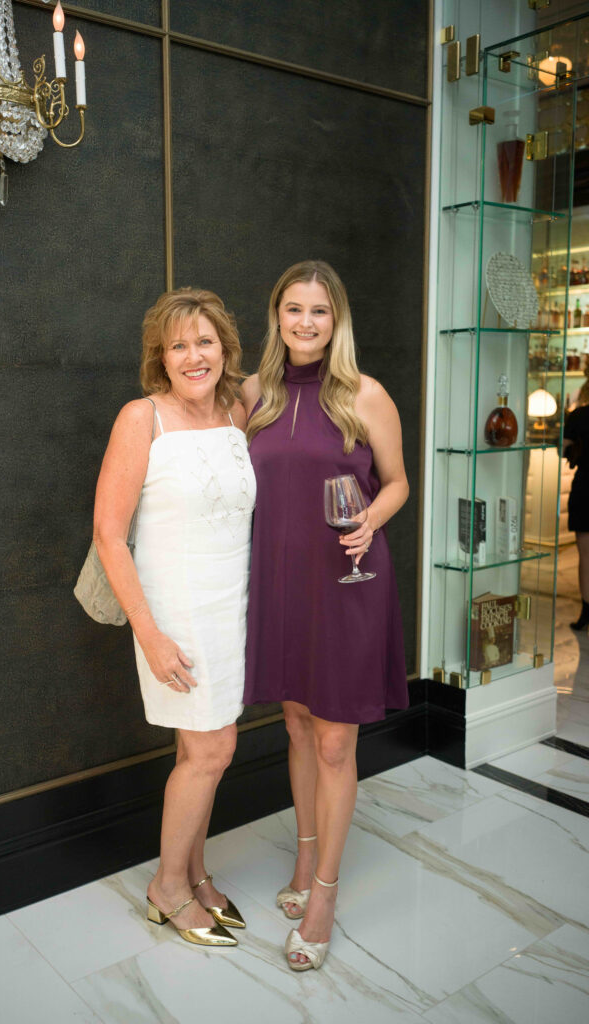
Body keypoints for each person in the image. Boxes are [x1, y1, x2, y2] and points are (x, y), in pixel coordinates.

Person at [241, 260, 409, 971]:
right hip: (282, 586)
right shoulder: (253, 395)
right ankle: (304, 862)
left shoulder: (366, 395)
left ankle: (326, 896)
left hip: (347, 581)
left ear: (336, 321)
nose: (306, 322)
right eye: (293, 309)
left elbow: (398, 482)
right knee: (297, 724)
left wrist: (369, 518)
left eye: (319, 311)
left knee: (337, 741)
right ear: (276, 316)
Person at [93, 287, 256, 947]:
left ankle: (195, 872)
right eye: (179, 344)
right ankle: (167, 887)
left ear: (224, 348)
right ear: (161, 357)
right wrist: (150, 634)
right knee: (215, 747)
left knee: (202, 747)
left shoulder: (240, 409)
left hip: (232, 600)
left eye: (205, 341)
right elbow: (108, 533)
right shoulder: (142, 418)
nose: (195, 356)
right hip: (174, 610)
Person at [563, 378, 589, 630]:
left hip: (586, 487)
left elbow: (563, 448)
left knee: (586, 554)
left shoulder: (579, 415)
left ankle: (586, 611)